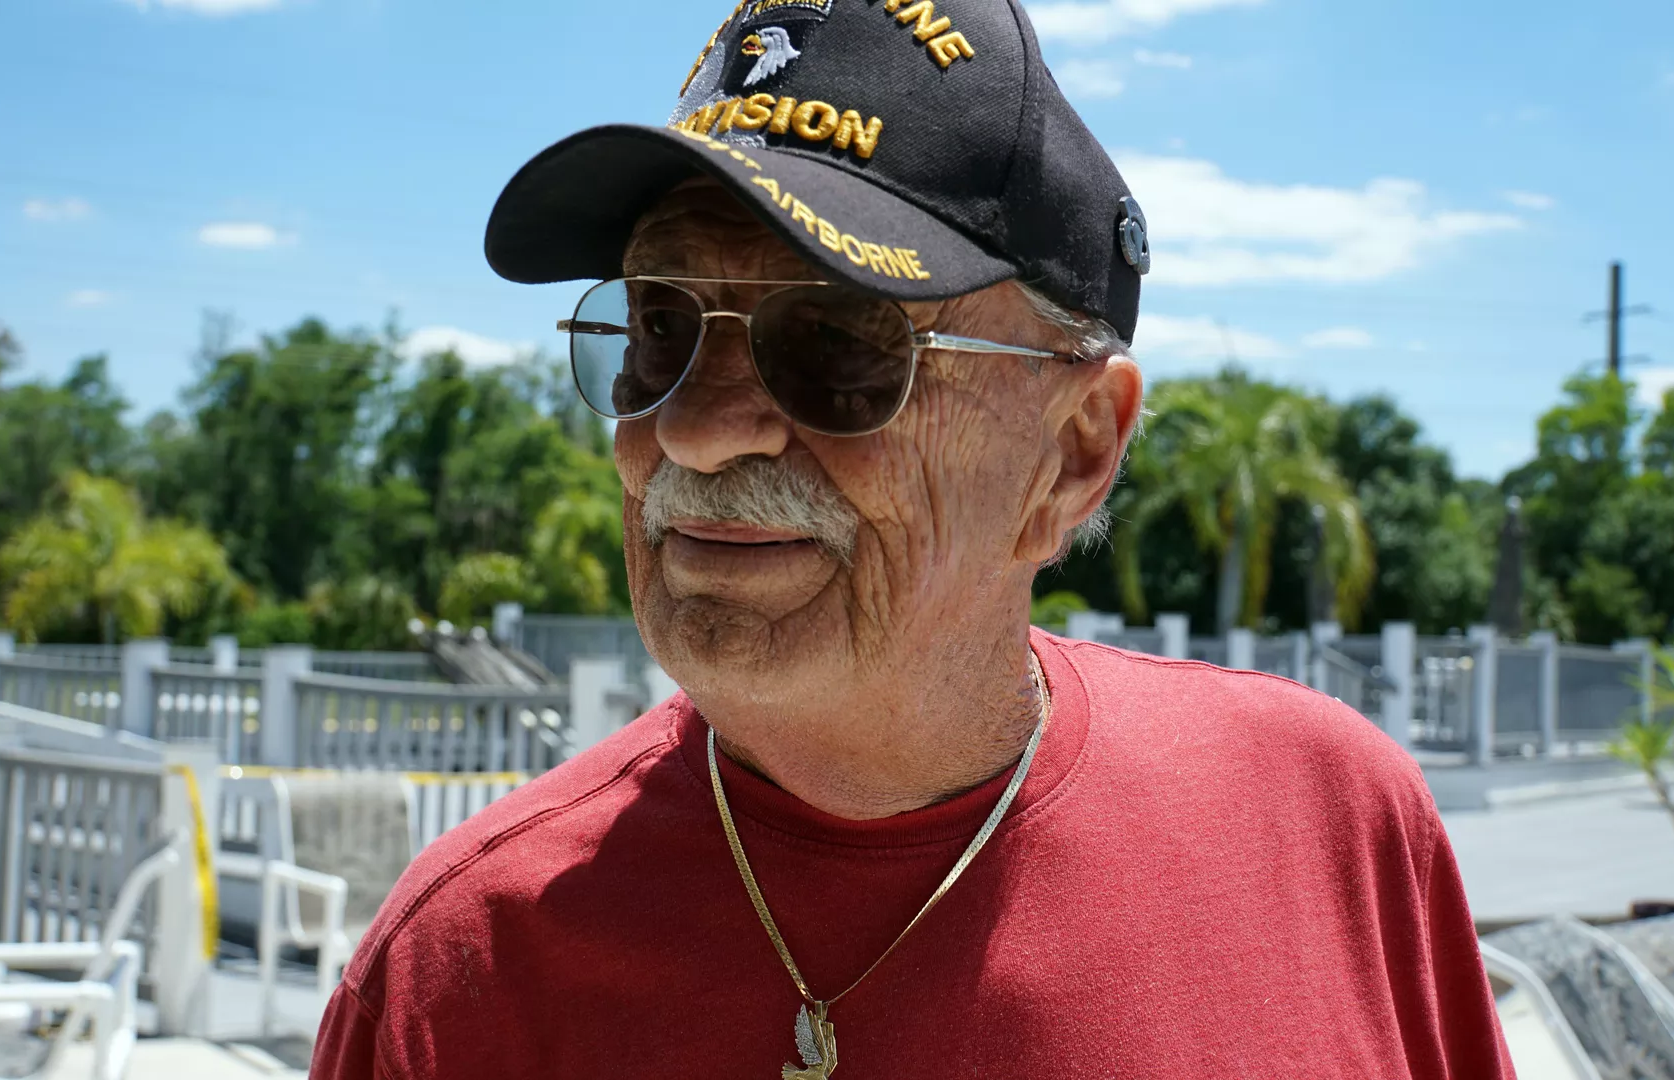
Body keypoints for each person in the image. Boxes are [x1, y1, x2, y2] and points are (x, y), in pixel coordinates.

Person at [312, 0, 1515, 1074]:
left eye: (839, 344)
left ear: (1076, 451)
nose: (695, 435)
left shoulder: (1329, 823)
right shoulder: (460, 974)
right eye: (661, 330)